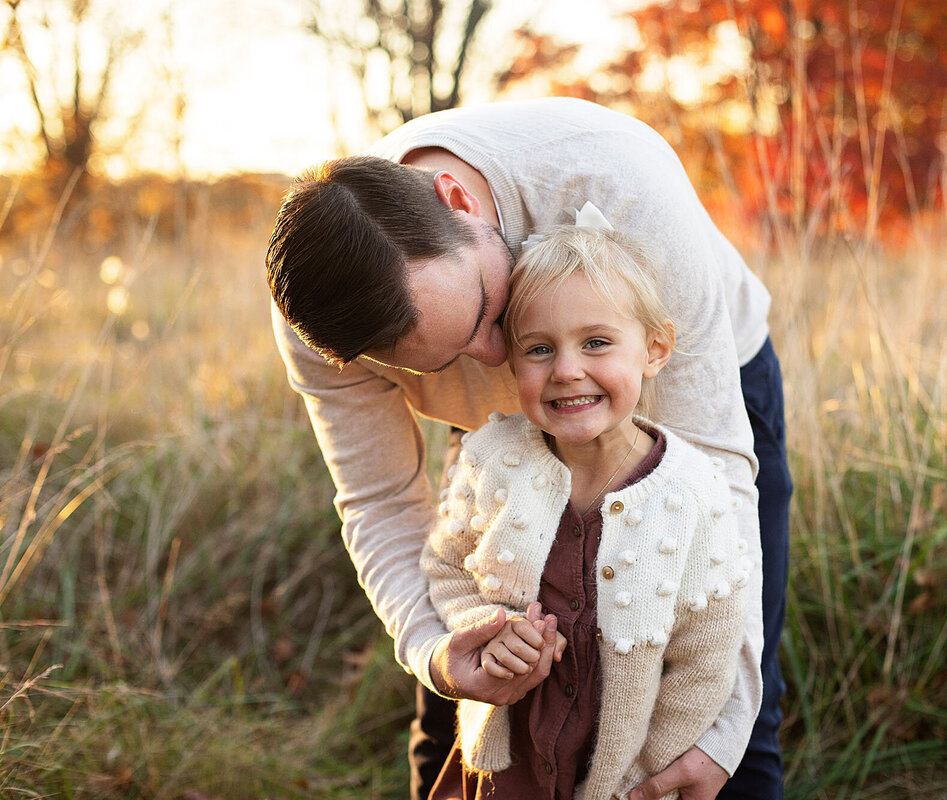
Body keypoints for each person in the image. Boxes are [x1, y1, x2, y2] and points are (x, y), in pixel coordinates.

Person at [266, 97, 791, 800]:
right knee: (466, 706)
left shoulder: (615, 173)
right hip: (502, 449)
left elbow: (717, 471)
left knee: (720, 700)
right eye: (443, 361)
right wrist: (437, 655)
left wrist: (725, 729)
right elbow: (382, 501)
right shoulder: (321, 313)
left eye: (488, 309)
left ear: (458, 202)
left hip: (693, 393)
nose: (494, 359)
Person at [421, 211, 753, 799]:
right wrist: (486, 630)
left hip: (618, 772)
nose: (568, 371)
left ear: (655, 350)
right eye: (540, 349)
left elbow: (705, 660)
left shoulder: (694, 494)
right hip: (508, 765)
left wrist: (644, 776)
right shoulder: (490, 460)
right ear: (512, 361)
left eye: (596, 342)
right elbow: (447, 571)